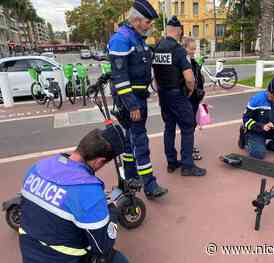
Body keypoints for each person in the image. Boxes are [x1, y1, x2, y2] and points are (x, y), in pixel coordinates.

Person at [19, 126, 129, 263]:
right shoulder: (89, 193)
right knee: (118, 259)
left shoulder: (37, 167)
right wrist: (112, 210)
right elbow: (103, 247)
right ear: (99, 161)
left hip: (30, 254)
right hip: (64, 259)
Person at [107, 0, 168, 199]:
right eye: (147, 22)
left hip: (138, 97)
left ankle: (131, 177)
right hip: (131, 101)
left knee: (129, 141)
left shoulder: (136, 37)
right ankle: (149, 185)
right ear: (135, 20)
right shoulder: (122, 39)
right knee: (140, 141)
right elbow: (120, 77)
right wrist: (132, 104)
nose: (150, 25)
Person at [153, 16, 207, 177]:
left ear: (166, 30)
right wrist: (190, 91)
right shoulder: (178, 50)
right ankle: (187, 165)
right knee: (188, 126)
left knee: (169, 128)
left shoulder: (157, 48)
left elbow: (155, 75)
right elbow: (190, 78)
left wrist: (160, 92)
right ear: (178, 31)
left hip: (163, 94)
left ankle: (171, 162)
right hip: (178, 94)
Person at [182, 36, 205, 161]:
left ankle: (189, 147)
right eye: (191, 49)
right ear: (184, 48)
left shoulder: (192, 61)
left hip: (195, 98)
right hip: (188, 99)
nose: (193, 51)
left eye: (194, 49)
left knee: (193, 125)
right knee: (188, 126)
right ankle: (188, 151)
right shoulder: (183, 63)